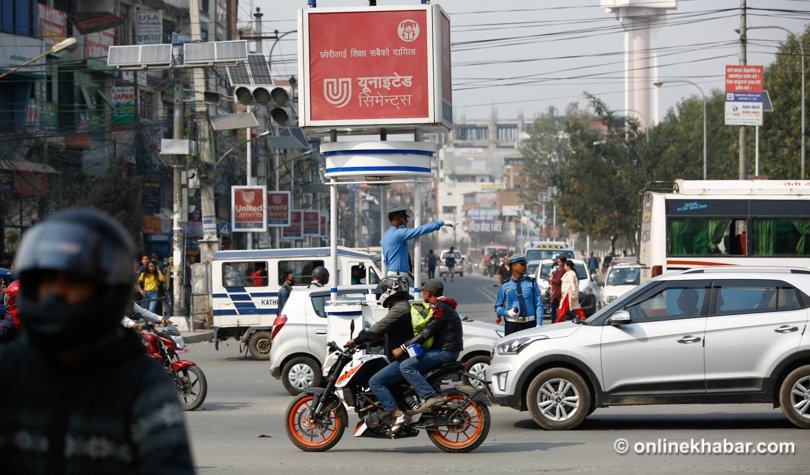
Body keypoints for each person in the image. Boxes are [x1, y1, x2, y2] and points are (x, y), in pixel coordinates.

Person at [0, 207, 193, 473]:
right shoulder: (9, 371)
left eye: (75, 283)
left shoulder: (140, 382)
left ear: (106, 292)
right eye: (49, 281)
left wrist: (159, 320)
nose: (58, 295)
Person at [346, 277, 413, 431]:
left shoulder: (400, 308)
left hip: (403, 359)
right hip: (402, 357)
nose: (382, 293)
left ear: (391, 292)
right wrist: (368, 343)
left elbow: (378, 328)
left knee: (375, 382)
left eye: (384, 290)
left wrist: (356, 340)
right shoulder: (401, 307)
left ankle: (396, 413)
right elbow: (388, 336)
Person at [399, 279, 463, 413]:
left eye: (424, 292)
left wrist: (403, 347)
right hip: (446, 350)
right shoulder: (443, 306)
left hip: (446, 352)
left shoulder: (440, 309)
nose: (423, 294)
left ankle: (430, 396)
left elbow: (426, 332)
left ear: (428, 292)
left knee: (406, 366)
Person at [381, 206, 451, 276]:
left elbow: (385, 260)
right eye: (404, 218)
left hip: (391, 272)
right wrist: (441, 223)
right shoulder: (399, 233)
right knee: (414, 287)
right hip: (398, 275)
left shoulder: (386, 236)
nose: (407, 221)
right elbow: (420, 230)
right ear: (397, 219)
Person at [495, 254, 543, 335]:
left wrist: (539, 324)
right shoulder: (505, 285)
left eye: (525, 264)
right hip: (512, 324)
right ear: (514, 267)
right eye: (522, 264)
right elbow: (497, 307)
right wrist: (507, 313)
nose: (525, 266)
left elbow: (539, 304)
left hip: (530, 324)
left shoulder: (531, 283)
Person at [548, 255, 566, 322]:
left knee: (554, 309)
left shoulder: (561, 270)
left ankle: (554, 321)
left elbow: (558, 281)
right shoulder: (558, 269)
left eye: (559, 262)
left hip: (557, 292)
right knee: (557, 308)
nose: (558, 263)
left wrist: (551, 279)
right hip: (556, 291)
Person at [184, 254, 195, 320]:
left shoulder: (192, 267)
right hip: (186, 286)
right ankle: (186, 315)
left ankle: (188, 315)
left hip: (191, 286)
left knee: (189, 303)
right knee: (186, 302)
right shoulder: (185, 268)